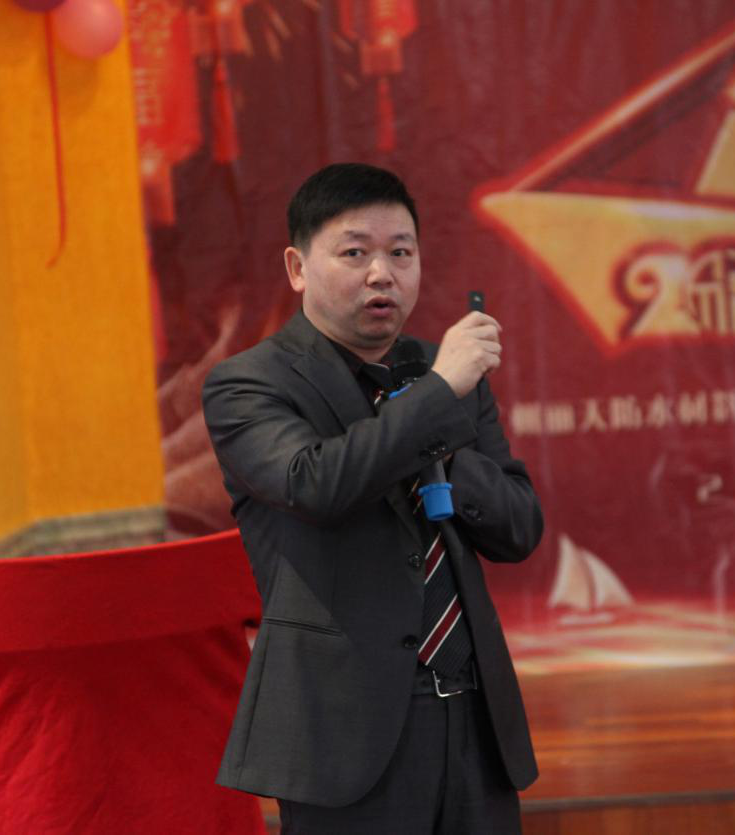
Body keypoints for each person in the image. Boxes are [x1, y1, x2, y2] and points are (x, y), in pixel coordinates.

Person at [202, 162, 543, 834]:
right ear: (298, 267)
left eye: (400, 253)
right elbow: (315, 483)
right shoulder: (248, 384)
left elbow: (517, 528)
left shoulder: (443, 374)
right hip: (344, 728)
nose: (381, 274)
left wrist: (442, 438)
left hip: (474, 718)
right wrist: (434, 401)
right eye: (355, 253)